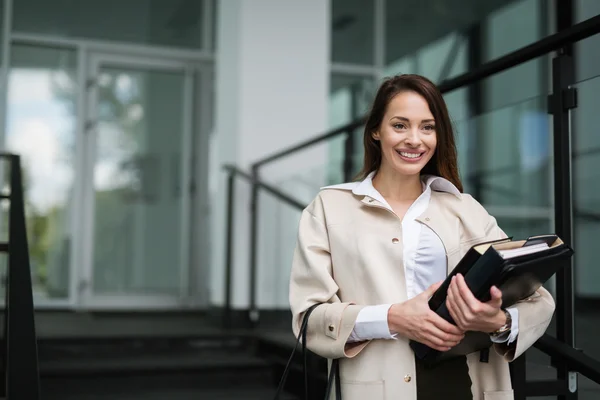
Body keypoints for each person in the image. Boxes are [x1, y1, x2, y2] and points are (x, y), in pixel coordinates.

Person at [288, 74, 555, 400]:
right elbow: (308, 318)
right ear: (376, 130)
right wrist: (393, 318)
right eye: (400, 125)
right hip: (376, 384)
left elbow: (539, 300)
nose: (415, 139)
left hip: (464, 381)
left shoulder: (465, 208)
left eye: (427, 127)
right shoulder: (328, 208)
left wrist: (496, 320)